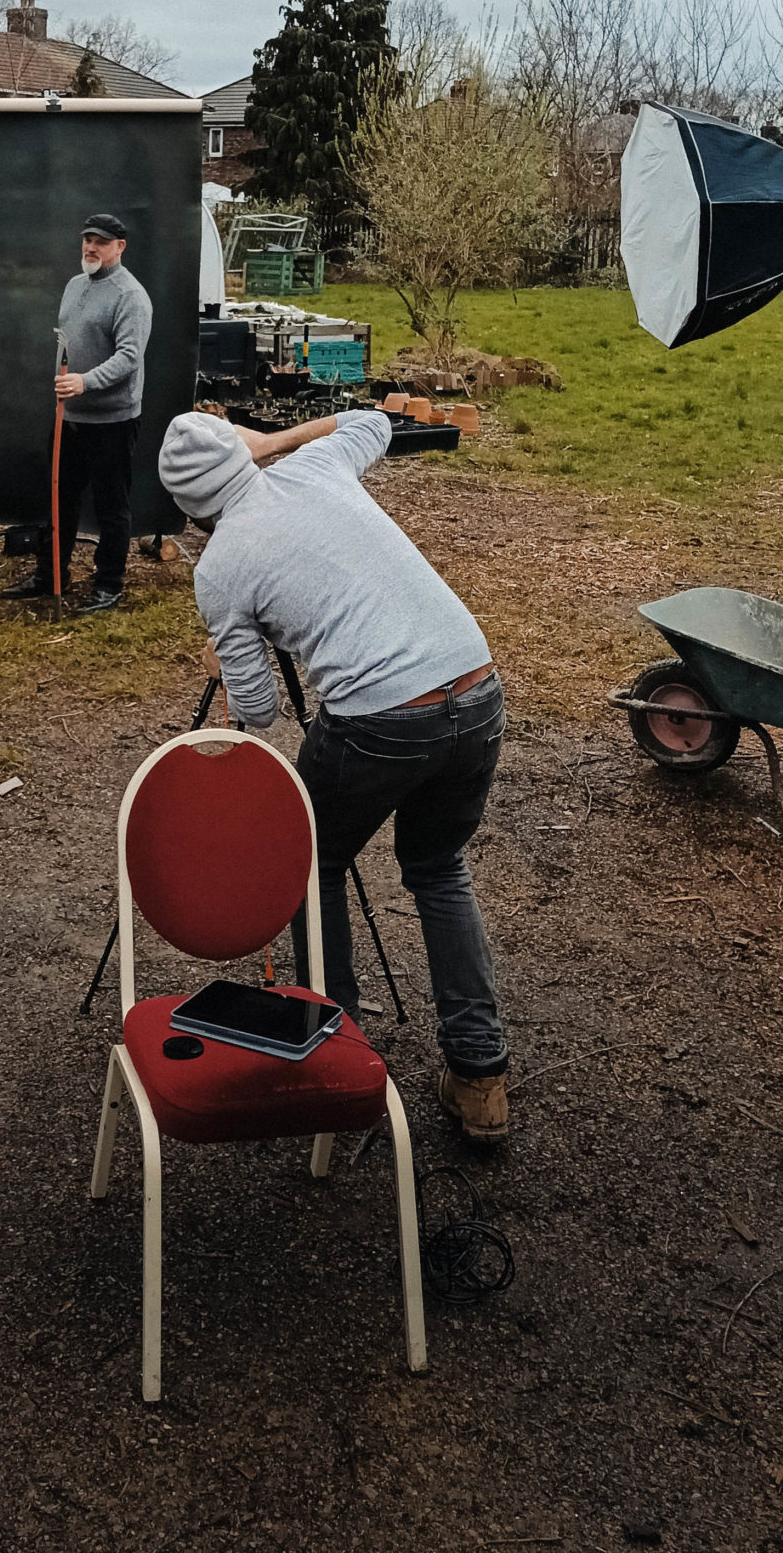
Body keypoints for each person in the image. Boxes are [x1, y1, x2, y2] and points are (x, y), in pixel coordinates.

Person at [156, 406, 512, 1142]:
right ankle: (480, 1076)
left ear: (189, 509)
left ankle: (334, 1048)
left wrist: (228, 658)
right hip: (475, 686)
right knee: (440, 867)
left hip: (382, 717)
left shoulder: (221, 567)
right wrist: (275, 443)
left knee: (308, 862)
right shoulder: (314, 465)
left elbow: (257, 713)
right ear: (244, 455)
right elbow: (374, 421)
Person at [2, 215, 153, 614]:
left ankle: (108, 584)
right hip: (69, 417)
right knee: (58, 499)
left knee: (111, 506)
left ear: (120, 246)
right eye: (87, 240)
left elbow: (129, 357)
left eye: (101, 242)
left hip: (113, 421)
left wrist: (85, 382)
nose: (90, 247)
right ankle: (51, 575)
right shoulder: (74, 286)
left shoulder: (130, 296)